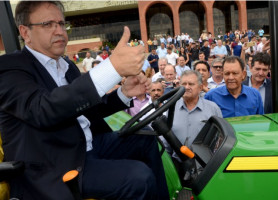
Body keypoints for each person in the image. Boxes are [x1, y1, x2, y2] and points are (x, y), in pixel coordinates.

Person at [0, 1, 169, 199]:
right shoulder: (9, 68)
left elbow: (86, 109)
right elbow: (43, 109)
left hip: (87, 147)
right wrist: (112, 68)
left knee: (146, 138)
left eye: (62, 24)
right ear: (25, 32)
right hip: (55, 165)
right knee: (138, 177)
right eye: (48, 24)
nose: (59, 31)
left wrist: (124, 93)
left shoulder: (67, 67)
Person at [170, 70, 222, 175]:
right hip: (175, 165)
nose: (187, 87)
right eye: (184, 84)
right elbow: (164, 142)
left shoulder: (212, 108)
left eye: (191, 84)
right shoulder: (171, 108)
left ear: (200, 87)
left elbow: (220, 138)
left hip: (204, 167)